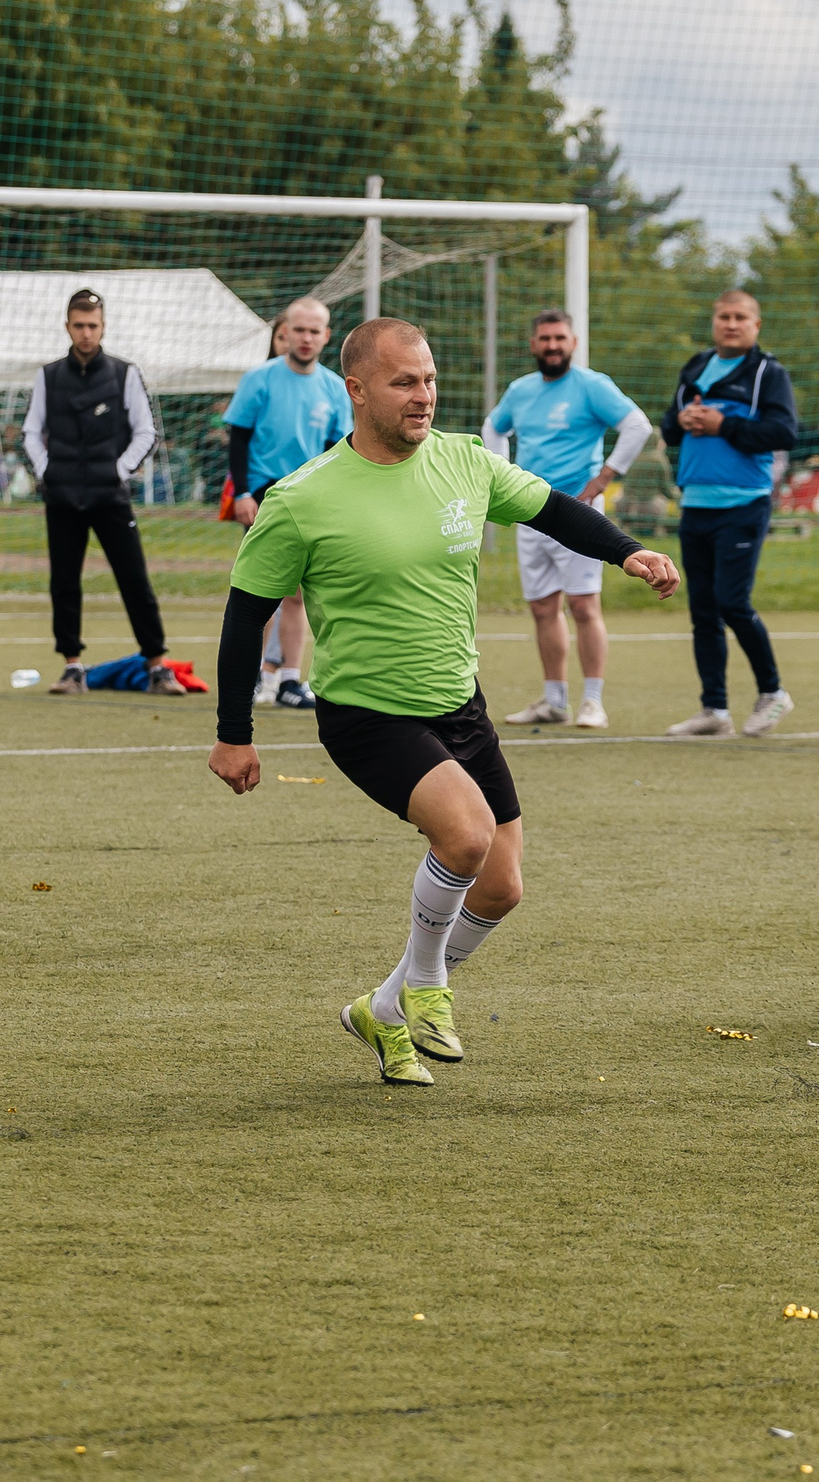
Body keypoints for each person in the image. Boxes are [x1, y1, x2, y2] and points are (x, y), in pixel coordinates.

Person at [207, 317, 681, 1086]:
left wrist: (629, 551)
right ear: (356, 390)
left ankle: (384, 1009)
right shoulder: (301, 498)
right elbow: (243, 618)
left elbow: (555, 509)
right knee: (466, 837)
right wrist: (234, 733)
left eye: (428, 379)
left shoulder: (466, 460)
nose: (422, 396)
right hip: (366, 713)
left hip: (458, 704)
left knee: (501, 884)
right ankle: (428, 988)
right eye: (403, 382)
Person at [483, 308, 655, 729]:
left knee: (582, 605)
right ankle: (554, 700)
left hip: (578, 512)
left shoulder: (592, 386)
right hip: (529, 511)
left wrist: (604, 477)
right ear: (533, 344)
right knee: (543, 608)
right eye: (545, 338)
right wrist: (503, 479)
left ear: (573, 343)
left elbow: (637, 425)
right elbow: (493, 428)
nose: (553, 345)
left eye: (560, 338)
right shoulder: (521, 390)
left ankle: (592, 701)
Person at [21, 288, 185, 697]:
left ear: (103, 326)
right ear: (67, 326)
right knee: (64, 581)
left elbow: (146, 430)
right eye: (79, 325)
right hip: (62, 497)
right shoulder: (48, 375)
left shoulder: (123, 373)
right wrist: (49, 470)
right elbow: (30, 432)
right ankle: (72, 667)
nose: (86, 333)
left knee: (134, 579)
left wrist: (118, 470)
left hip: (109, 495)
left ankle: (157, 666)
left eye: (93, 325)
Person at [660, 289, 799, 737]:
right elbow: (669, 425)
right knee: (703, 609)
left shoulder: (767, 373)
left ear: (756, 325)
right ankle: (714, 710)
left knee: (732, 602)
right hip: (695, 503)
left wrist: (725, 425)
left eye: (741, 317)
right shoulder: (696, 367)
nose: (731, 324)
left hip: (744, 503)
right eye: (724, 316)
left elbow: (784, 432)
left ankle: (773, 693)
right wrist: (679, 423)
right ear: (714, 322)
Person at [224, 298, 349, 709]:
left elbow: (336, 451)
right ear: (286, 333)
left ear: (326, 336)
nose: (307, 337)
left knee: (299, 592)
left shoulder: (334, 386)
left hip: (310, 494)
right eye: (299, 330)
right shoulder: (259, 379)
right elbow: (238, 438)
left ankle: (292, 680)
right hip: (265, 494)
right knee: (262, 589)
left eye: (315, 331)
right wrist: (242, 493)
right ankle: (256, 676)